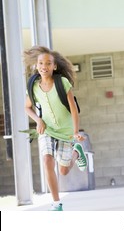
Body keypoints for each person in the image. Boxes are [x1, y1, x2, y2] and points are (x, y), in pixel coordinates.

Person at [23, 46, 87, 211]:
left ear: (54, 66)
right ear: (36, 66)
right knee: (47, 160)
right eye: (41, 63)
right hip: (47, 130)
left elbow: (73, 108)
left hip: (66, 132)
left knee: (64, 171)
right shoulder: (34, 86)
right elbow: (27, 107)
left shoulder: (62, 83)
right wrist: (38, 120)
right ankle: (57, 203)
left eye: (48, 63)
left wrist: (76, 132)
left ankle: (77, 151)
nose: (44, 66)